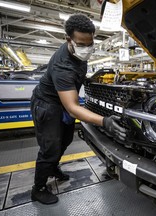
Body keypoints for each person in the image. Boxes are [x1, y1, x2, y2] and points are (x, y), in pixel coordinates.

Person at [30, 14, 126, 205]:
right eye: (81, 44)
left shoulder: (78, 53)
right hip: (47, 105)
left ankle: (52, 167)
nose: (87, 48)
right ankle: (38, 188)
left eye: (90, 43)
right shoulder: (62, 66)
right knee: (50, 147)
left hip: (60, 103)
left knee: (64, 140)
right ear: (69, 40)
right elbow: (73, 108)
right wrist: (104, 121)